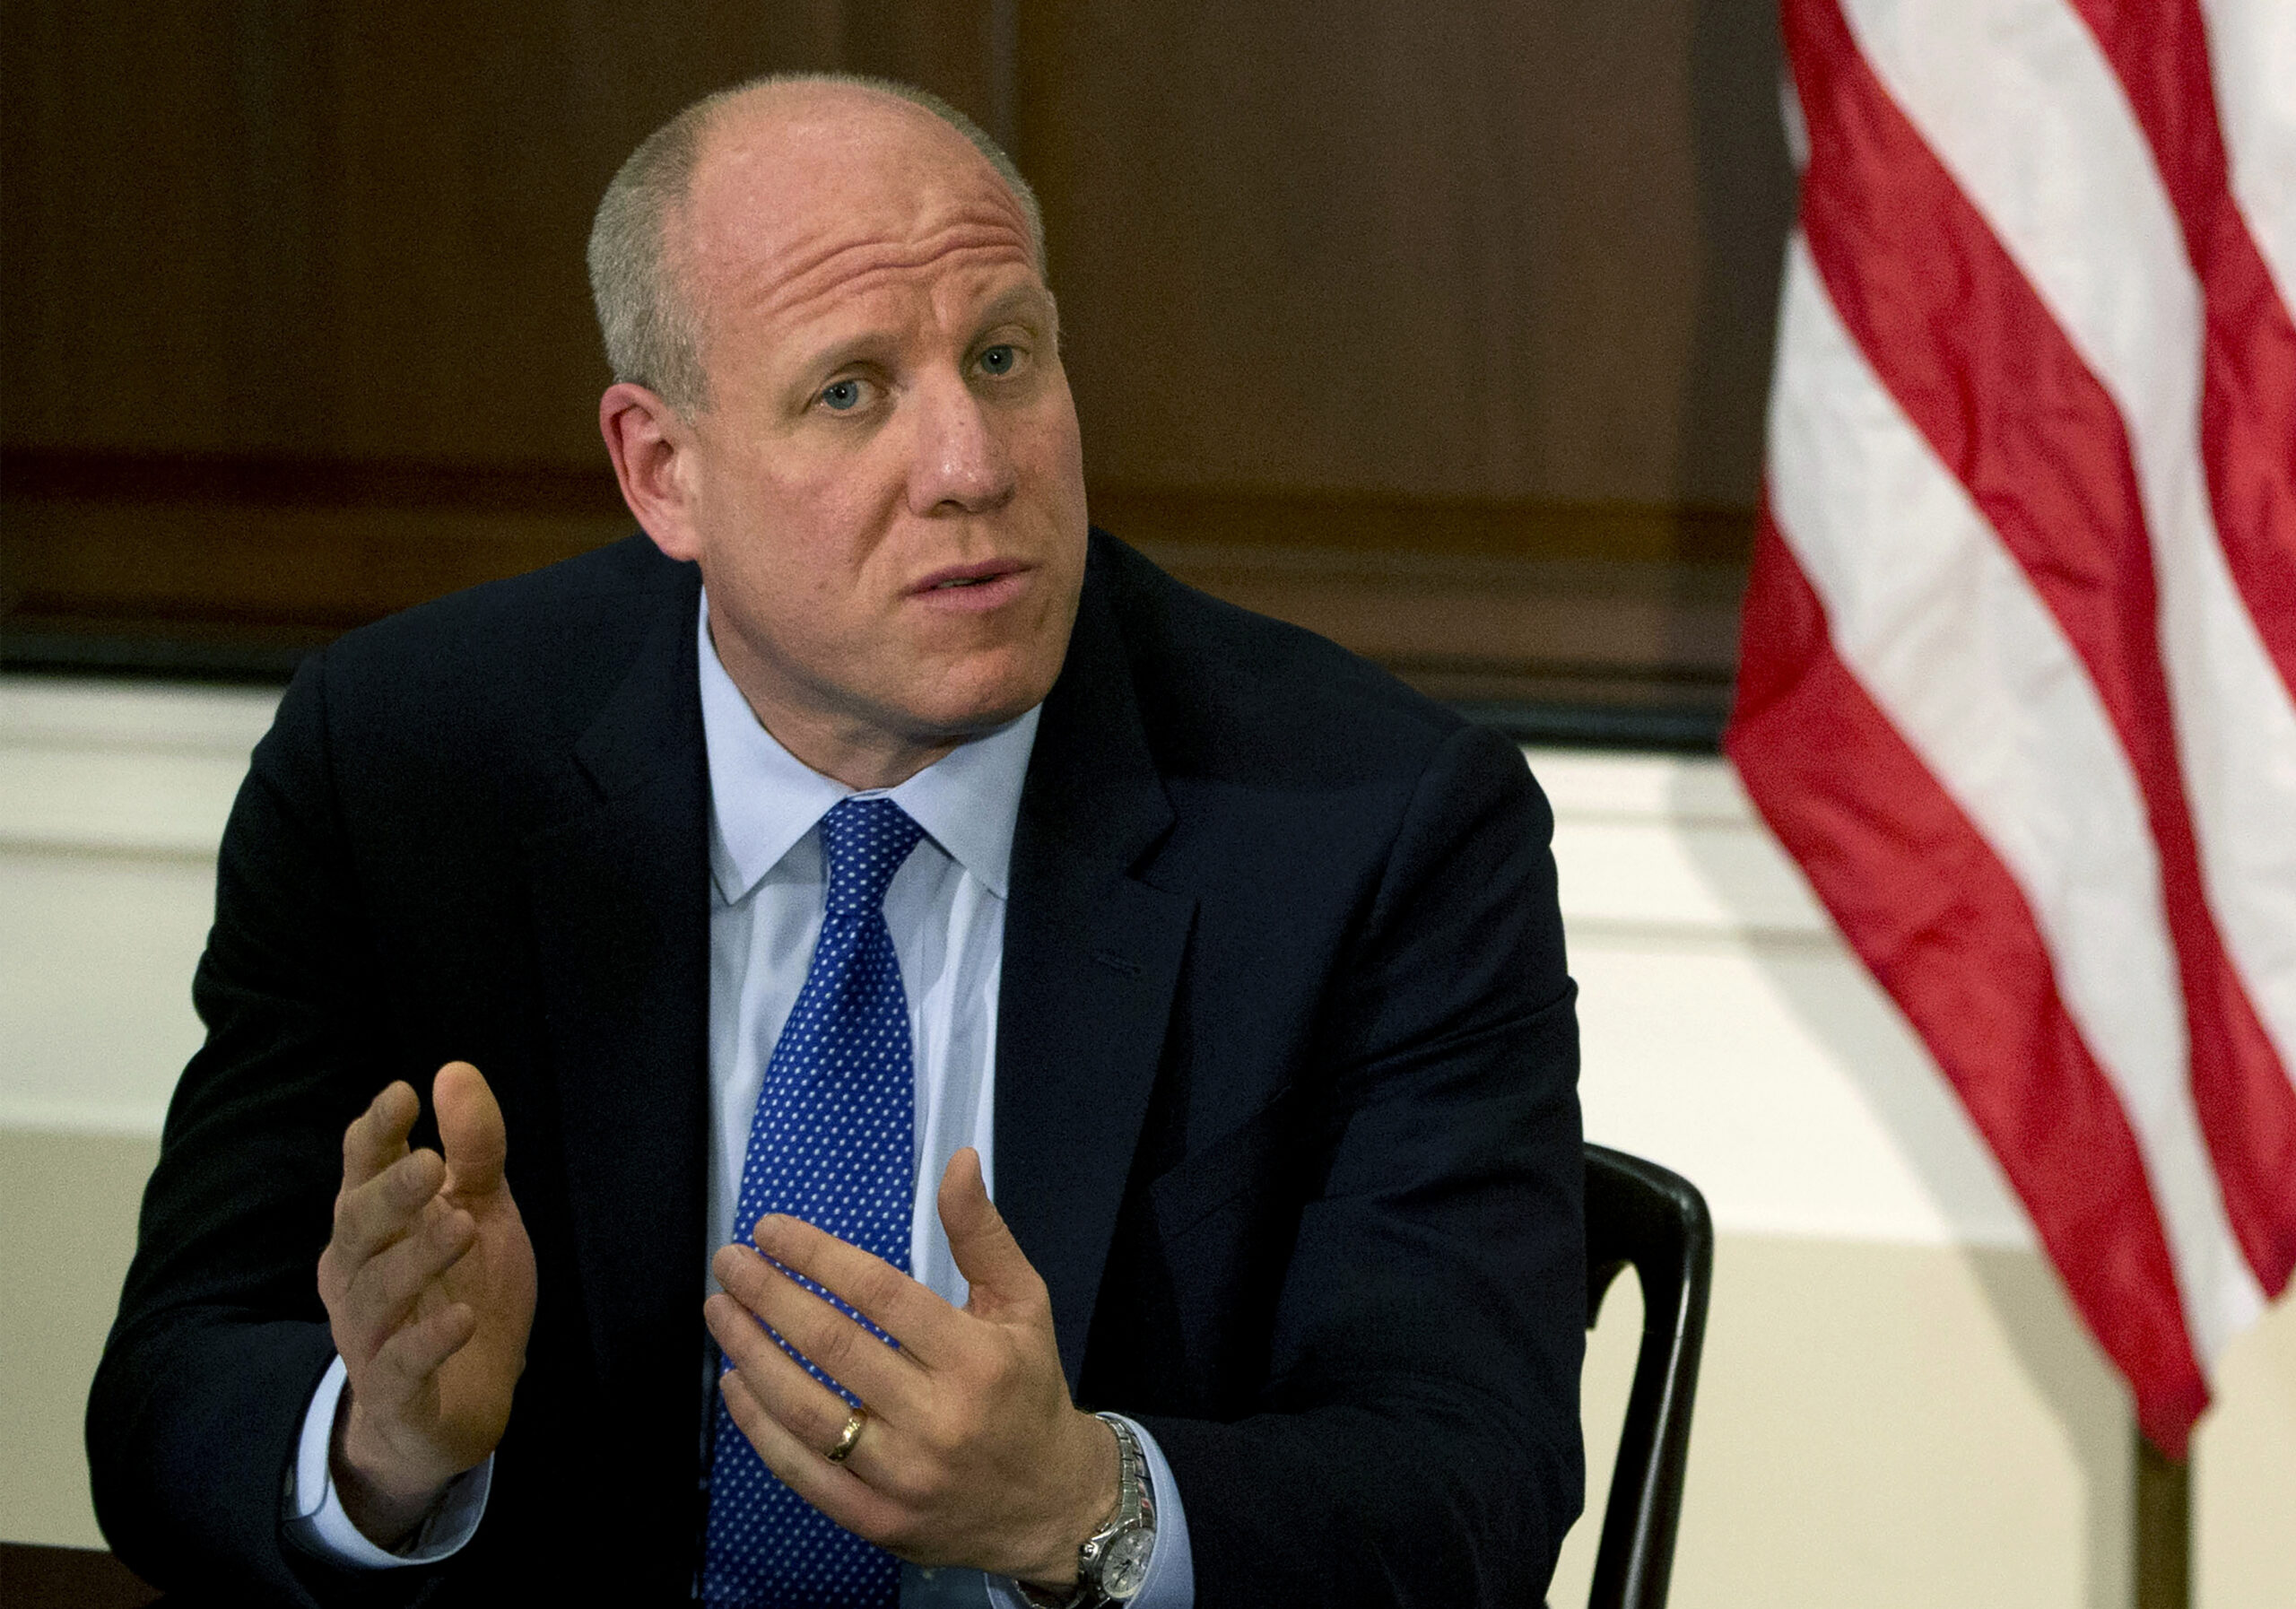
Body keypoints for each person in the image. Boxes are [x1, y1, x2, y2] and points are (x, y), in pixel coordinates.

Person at [86, 73, 1585, 1608]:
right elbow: (167, 1396)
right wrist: (383, 1447)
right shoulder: (403, 768)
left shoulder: (1374, 825)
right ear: (663, 469)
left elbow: (1471, 1479)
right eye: (851, 390)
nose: (971, 465)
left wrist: (1083, 1502)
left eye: (1005, 357)